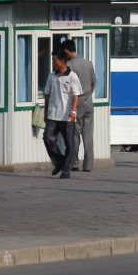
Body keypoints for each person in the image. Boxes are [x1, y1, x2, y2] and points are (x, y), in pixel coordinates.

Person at [43, 48, 82, 179]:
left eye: (55, 60)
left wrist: (73, 111)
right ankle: (59, 161)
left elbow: (76, 95)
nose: (53, 62)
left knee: (69, 144)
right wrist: (45, 113)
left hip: (67, 116)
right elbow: (47, 95)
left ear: (63, 61)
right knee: (47, 138)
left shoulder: (72, 76)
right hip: (53, 115)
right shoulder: (51, 76)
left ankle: (66, 170)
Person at [62, 40, 95, 172]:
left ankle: (74, 163)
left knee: (74, 134)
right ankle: (88, 166)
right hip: (88, 104)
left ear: (66, 51)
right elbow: (93, 84)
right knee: (88, 136)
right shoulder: (88, 63)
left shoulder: (69, 65)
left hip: (76, 105)